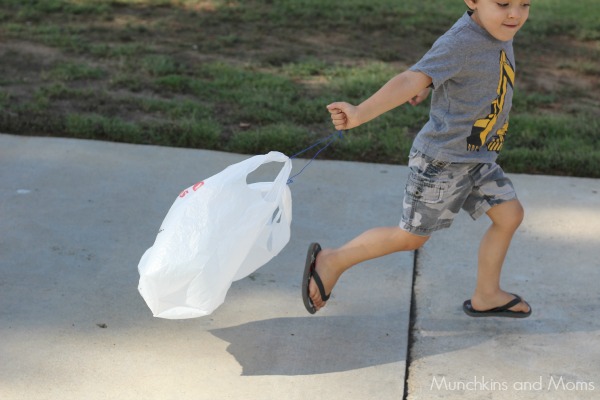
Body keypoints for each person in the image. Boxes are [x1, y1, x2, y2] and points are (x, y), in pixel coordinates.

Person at [302, 0, 532, 318]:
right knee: (410, 238)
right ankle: (333, 260)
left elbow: (447, 70)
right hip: (443, 162)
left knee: (509, 216)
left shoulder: (497, 26)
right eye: (504, 2)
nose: (515, 13)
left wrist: (434, 82)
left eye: (525, 4)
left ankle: (487, 294)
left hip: (477, 157)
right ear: (472, 1)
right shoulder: (462, 40)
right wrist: (360, 113)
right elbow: (411, 78)